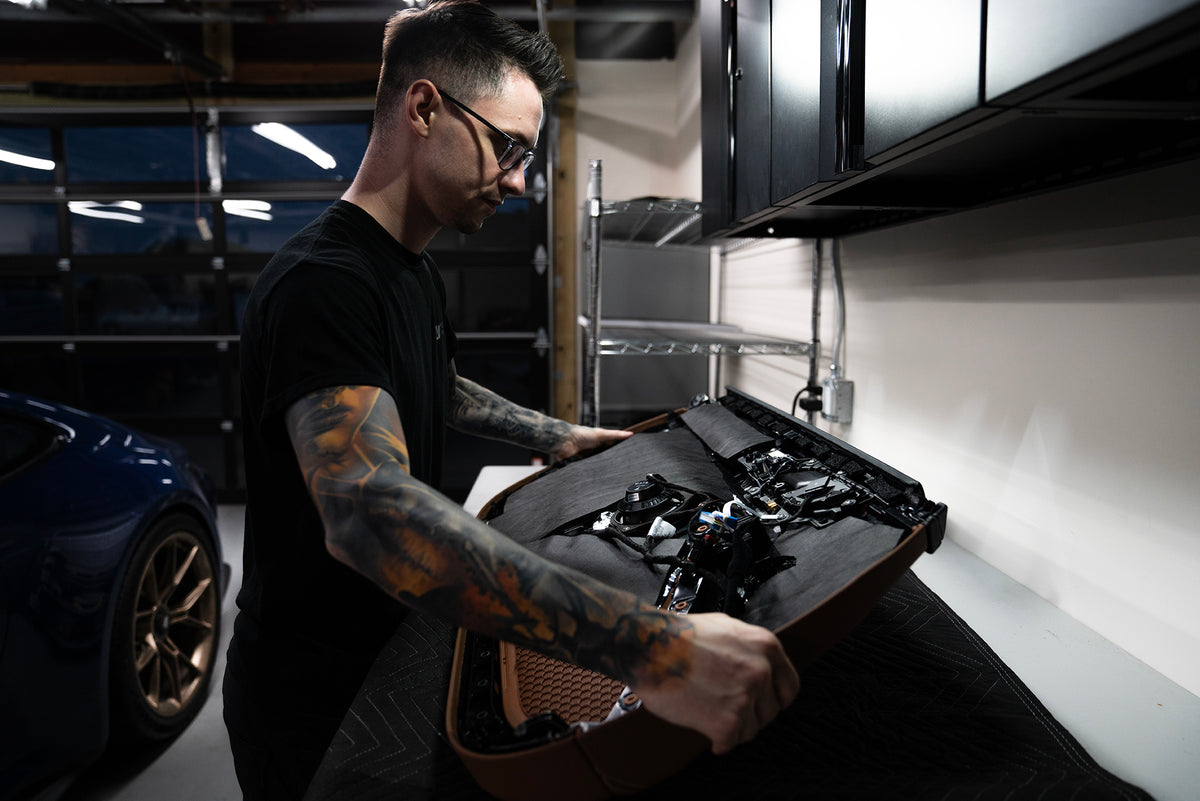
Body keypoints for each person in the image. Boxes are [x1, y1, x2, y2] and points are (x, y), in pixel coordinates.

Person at [222, 1, 800, 798]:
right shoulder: (323, 282)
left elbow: (433, 381)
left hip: (386, 642)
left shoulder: (410, 270)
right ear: (425, 108)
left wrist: (558, 434)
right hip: (312, 698)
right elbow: (368, 514)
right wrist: (653, 649)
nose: (521, 181)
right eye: (508, 149)